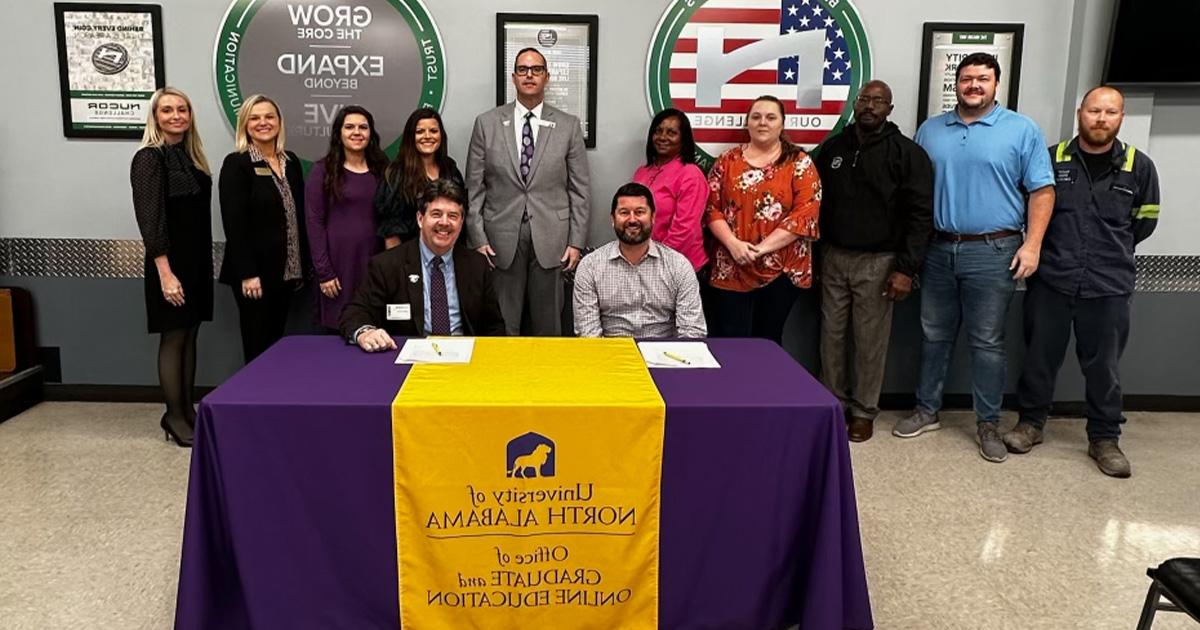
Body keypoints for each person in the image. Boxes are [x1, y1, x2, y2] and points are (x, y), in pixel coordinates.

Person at [895, 52, 1056, 464]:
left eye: (982, 79)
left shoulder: (1021, 130)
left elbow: (1042, 190)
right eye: (967, 78)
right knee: (933, 334)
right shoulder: (931, 131)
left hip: (995, 250)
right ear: (956, 84)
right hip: (938, 248)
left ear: (995, 84)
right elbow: (914, 194)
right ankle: (927, 409)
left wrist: (1032, 244)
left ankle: (988, 423)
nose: (973, 86)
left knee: (986, 341)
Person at [1006, 86, 1161, 478]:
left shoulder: (1138, 166)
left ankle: (1105, 439)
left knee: (1104, 367)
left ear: (1121, 118)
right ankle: (1031, 424)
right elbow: (1034, 210)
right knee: (1040, 358)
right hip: (1053, 280)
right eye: (1094, 110)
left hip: (1108, 285)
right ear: (1081, 113)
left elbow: (1144, 223)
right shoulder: (1051, 158)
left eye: (1110, 112)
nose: (1101, 119)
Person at [815, 80, 934, 442]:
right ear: (855, 104)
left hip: (880, 261)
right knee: (830, 337)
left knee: (869, 341)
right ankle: (834, 403)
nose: (869, 106)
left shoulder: (906, 153)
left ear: (889, 109)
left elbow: (920, 215)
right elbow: (815, 205)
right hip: (834, 256)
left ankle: (864, 410)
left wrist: (906, 269)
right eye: (864, 99)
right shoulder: (833, 148)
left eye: (878, 101)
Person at [465, 46, 591, 336]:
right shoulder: (487, 123)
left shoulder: (569, 125)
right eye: (523, 69)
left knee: (549, 326)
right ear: (513, 77)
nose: (529, 75)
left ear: (547, 77)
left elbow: (580, 189)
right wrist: (478, 238)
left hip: (553, 239)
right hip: (499, 239)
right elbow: (474, 188)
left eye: (536, 70)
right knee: (503, 323)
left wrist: (576, 242)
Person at [131, 87, 212, 447]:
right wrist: (165, 272)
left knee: (191, 334)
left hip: (194, 261)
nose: (176, 115)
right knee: (174, 336)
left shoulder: (190, 157)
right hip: (170, 263)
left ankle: (187, 409)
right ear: (155, 116)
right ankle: (173, 415)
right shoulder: (150, 158)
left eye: (182, 109)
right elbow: (150, 220)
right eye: (167, 110)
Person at [705, 95, 822, 346]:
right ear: (747, 123)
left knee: (767, 341)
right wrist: (734, 245)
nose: (762, 123)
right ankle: (731, 387)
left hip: (781, 269)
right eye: (756, 117)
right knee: (728, 341)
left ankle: (765, 387)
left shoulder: (800, 163)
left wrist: (760, 250)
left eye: (771, 117)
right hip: (731, 265)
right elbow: (711, 208)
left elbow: (805, 215)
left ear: (782, 124)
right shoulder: (727, 161)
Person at [340, 179, 505, 349]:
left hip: (464, 361)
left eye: (453, 216)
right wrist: (366, 332)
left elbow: (494, 327)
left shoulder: (476, 265)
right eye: (436, 214)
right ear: (420, 219)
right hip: (406, 363)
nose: (444, 222)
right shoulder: (387, 265)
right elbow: (355, 313)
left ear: (461, 223)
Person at [218, 94, 308, 363]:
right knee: (258, 345)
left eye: (269, 116)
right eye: (254, 118)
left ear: (279, 122)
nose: (263, 123)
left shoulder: (289, 162)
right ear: (245, 125)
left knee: (276, 343)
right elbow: (234, 222)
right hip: (254, 276)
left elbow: (297, 215)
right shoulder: (237, 164)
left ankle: (271, 400)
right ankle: (253, 402)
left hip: (285, 273)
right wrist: (248, 273)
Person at [573, 182, 707, 338]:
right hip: (611, 354)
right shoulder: (590, 266)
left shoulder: (678, 265)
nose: (632, 220)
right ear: (613, 219)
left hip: (665, 356)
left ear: (653, 217)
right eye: (624, 212)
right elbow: (588, 334)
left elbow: (692, 331)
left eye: (640, 212)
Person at [305, 105, 389, 331]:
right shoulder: (322, 170)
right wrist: (324, 272)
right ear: (339, 133)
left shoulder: (383, 170)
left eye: (363, 127)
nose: (357, 132)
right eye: (349, 127)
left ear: (371, 133)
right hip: (338, 265)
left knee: (374, 326)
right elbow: (314, 222)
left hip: (374, 260)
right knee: (337, 331)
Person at [376, 108, 465, 249]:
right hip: (409, 259)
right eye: (420, 132)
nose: (428, 136)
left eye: (434, 131)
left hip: (448, 255)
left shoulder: (450, 170)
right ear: (411, 137)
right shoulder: (396, 174)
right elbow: (390, 232)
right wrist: (398, 268)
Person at [632, 108, 708, 273]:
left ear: (683, 139)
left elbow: (685, 229)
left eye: (671, 133)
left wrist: (656, 260)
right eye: (658, 131)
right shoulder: (642, 172)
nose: (662, 138)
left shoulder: (690, 174)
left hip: (679, 267)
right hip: (643, 263)